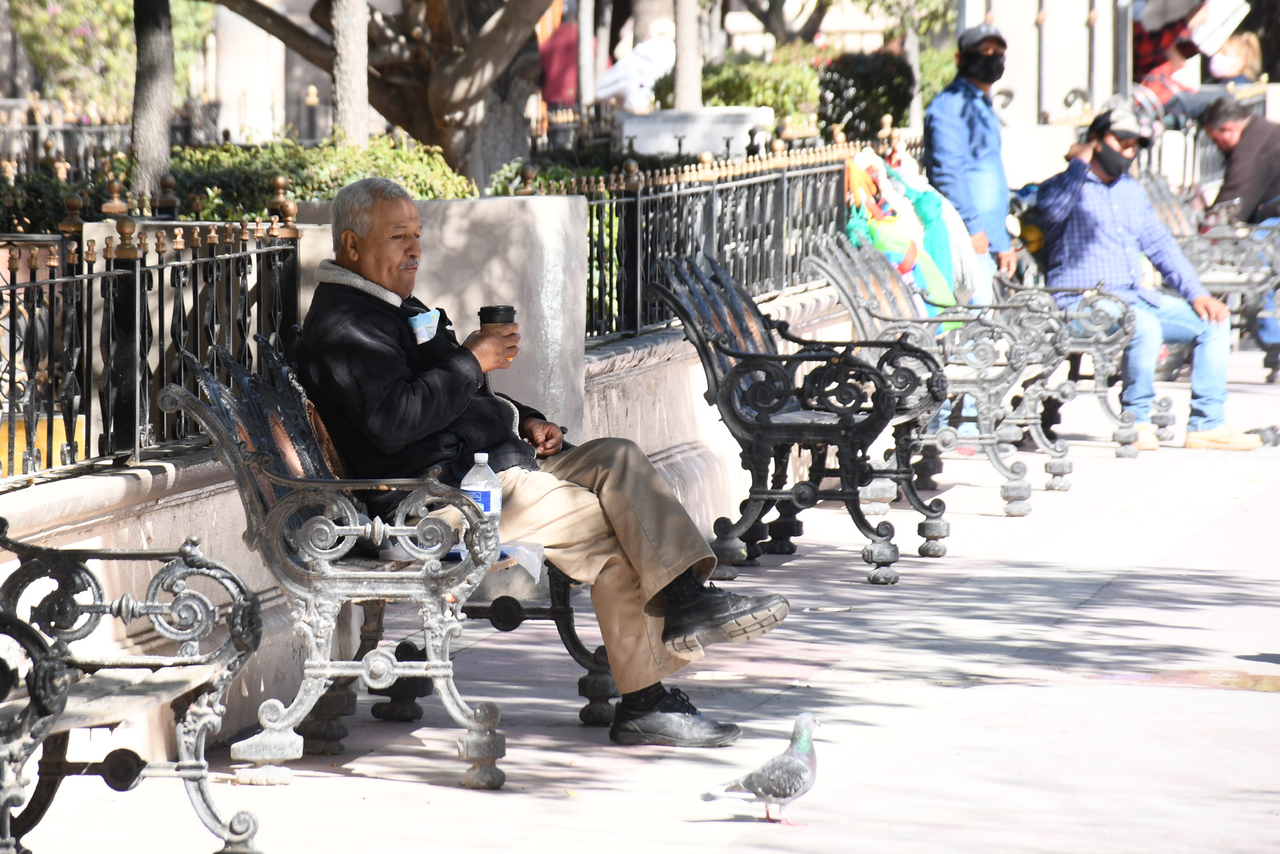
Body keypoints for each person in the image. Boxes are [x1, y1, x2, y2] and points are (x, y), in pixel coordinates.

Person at [294, 178, 791, 748]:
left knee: (618, 460)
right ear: (352, 247)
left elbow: (453, 397)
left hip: (485, 467)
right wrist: (470, 362)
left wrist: (524, 416)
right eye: (399, 237)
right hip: (437, 501)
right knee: (610, 532)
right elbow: (394, 422)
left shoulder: (387, 306)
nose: (415, 250)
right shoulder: (344, 326)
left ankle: (684, 599)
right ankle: (647, 698)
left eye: (418, 236)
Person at [1037, 107, 1261, 451]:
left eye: (1132, 145)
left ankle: (1207, 424)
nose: (1126, 151)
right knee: (1143, 326)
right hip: (1082, 304)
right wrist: (1079, 165)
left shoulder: (1132, 191)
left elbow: (1162, 247)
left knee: (1213, 323)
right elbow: (1050, 212)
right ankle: (1136, 421)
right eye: (1119, 141)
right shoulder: (1063, 185)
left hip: (1135, 297)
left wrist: (1198, 293)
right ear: (1095, 141)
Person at [923, 22, 1015, 303]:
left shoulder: (980, 104)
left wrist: (1001, 242)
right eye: (984, 51)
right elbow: (948, 174)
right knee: (977, 337)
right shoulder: (951, 105)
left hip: (988, 241)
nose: (993, 57)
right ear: (961, 58)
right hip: (969, 241)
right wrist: (974, 229)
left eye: (998, 51)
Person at [1200, 95, 1280, 383]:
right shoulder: (1264, 131)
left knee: (1260, 267)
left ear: (1227, 130)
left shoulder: (1252, 142)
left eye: (1216, 139)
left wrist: (1208, 229)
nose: (1218, 147)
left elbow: (1234, 195)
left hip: (1274, 225)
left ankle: (1275, 344)